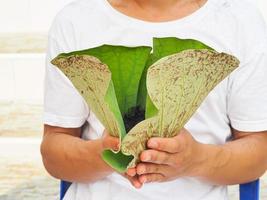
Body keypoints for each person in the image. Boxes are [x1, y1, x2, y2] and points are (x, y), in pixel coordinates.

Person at [41, 0, 267, 199]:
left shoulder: (239, 22)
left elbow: (258, 151)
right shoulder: (76, 22)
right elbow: (54, 153)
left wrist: (195, 160)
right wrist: (106, 153)